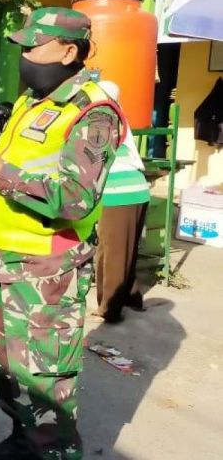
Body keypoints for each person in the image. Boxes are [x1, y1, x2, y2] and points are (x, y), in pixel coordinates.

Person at [0, 7, 123, 460]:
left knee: (46, 378)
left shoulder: (94, 113)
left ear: (69, 51)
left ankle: (54, 452)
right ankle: (23, 441)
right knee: (8, 370)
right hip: (5, 261)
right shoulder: (31, 103)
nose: (25, 56)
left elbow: (75, 198)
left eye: (34, 46)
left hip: (48, 270)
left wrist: (0, 170)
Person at [92, 81, 150, 323]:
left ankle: (110, 308)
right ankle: (131, 295)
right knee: (127, 249)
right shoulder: (119, 114)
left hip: (119, 192)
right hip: (137, 189)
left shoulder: (102, 118)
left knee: (110, 253)